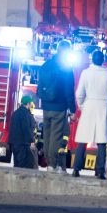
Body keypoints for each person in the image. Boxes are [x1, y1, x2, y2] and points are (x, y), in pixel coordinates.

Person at [72, 50, 107, 179]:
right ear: (103, 60)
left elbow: (79, 93)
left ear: (92, 59)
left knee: (83, 140)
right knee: (102, 142)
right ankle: (100, 171)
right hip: (103, 107)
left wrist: (82, 106)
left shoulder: (85, 73)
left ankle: (76, 169)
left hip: (89, 107)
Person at [39, 40, 77, 173]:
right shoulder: (66, 67)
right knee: (55, 136)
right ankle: (52, 165)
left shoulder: (47, 64)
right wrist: (73, 110)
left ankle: (48, 162)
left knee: (47, 134)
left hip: (46, 105)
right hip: (59, 107)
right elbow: (69, 91)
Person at [8, 95, 38, 169]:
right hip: (23, 144)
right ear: (27, 104)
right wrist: (31, 141)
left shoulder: (15, 113)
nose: (32, 104)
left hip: (14, 143)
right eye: (31, 103)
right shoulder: (26, 114)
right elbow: (26, 129)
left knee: (17, 164)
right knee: (24, 166)